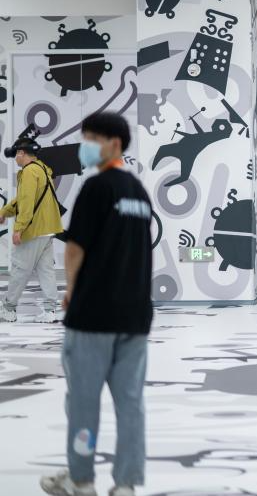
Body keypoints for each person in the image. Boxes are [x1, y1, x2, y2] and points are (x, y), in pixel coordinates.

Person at [40, 113, 153, 496]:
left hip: (93, 315)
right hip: (134, 316)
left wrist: (71, 290)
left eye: (91, 138)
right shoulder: (139, 193)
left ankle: (81, 478)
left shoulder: (96, 187)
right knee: (131, 403)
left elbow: (75, 249)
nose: (84, 146)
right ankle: (126, 483)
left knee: (84, 402)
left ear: (114, 143)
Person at [0, 136, 64, 323]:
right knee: (46, 271)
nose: (15, 159)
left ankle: (9, 309)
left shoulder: (28, 172)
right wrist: (4, 212)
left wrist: (19, 228)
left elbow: (27, 203)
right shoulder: (42, 168)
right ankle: (50, 311)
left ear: (21, 153)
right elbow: (24, 199)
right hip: (48, 228)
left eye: (16, 155)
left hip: (34, 230)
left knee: (20, 269)